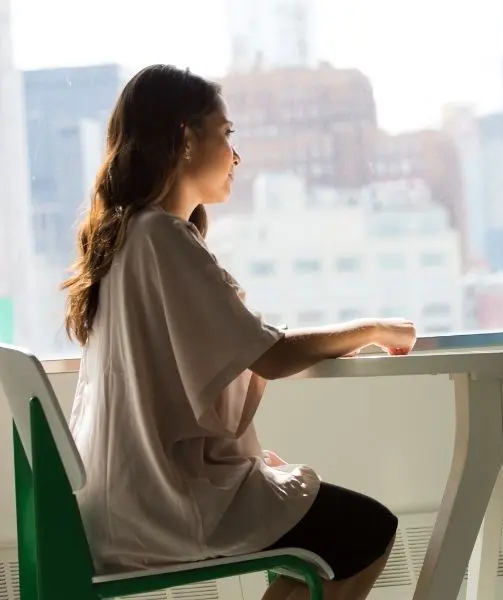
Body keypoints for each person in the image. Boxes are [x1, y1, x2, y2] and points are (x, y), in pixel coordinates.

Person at [62, 64, 416, 600]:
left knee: (323, 544)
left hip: (122, 498)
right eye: (226, 134)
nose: (236, 154)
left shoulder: (127, 237)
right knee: (366, 530)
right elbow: (267, 354)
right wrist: (370, 328)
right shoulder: (160, 236)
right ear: (185, 138)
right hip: (162, 505)